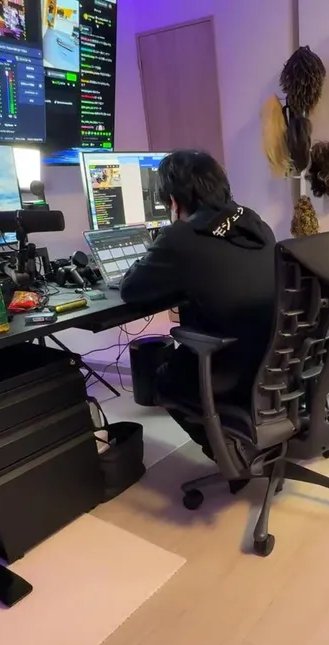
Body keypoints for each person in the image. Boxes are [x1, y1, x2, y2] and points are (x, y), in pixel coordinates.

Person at [119, 150, 278, 458]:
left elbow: (131, 290)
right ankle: (241, 441)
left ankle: (231, 457)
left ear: (173, 201)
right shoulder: (255, 222)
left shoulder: (181, 236)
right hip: (276, 361)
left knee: (164, 379)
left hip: (230, 370)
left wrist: (163, 241)